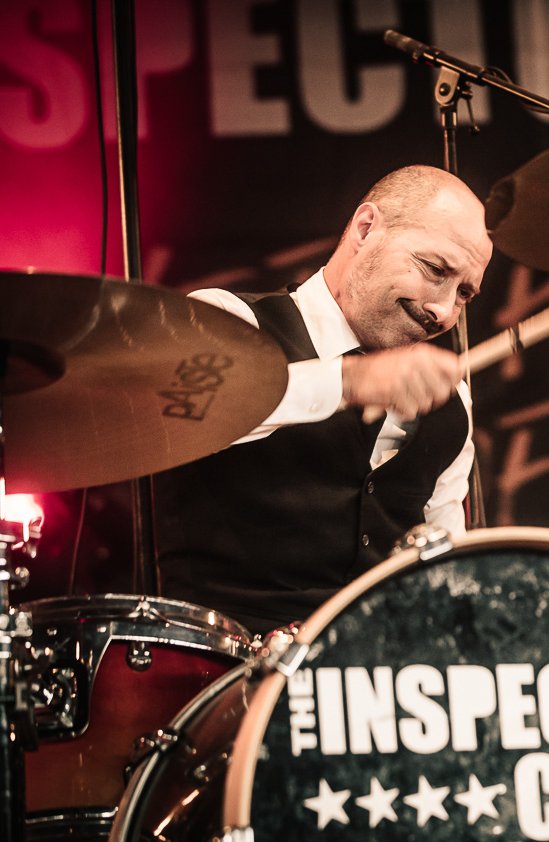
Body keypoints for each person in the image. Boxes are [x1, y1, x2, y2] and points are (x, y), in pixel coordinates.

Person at [153, 165, 494, 636]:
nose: (443, 311)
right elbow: (182, 411)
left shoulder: (450, 399)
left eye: (464, 294)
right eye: (435, 270)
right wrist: (350, 380)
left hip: (378, 669)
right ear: (365, 229)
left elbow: (445, 559)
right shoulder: (228, 320)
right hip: (223, 662)